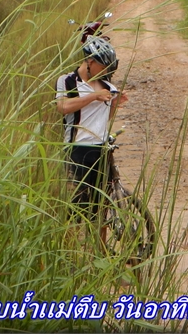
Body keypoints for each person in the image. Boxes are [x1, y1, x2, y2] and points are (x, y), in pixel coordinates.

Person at [56, 35, 126, 242]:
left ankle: (100, 250)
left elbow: (104, 118)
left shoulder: (108, 86)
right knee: (76, 206)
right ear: (90, 61)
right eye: (103, 67)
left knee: (100, 206)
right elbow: (63, 107)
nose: (106, 72)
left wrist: (115, 103)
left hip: (101, 149)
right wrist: (94, 96)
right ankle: (70, 249)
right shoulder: (67, 81)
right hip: (77, 149)